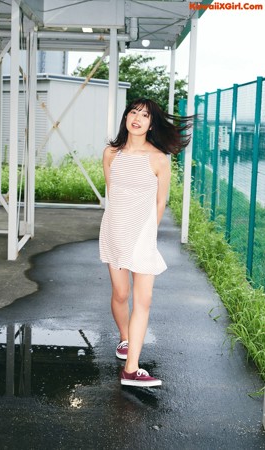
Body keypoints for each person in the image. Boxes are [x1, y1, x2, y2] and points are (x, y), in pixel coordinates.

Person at [99, 98, 192, 387]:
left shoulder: (158, 159)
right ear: (126, 117)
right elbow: (112, 194)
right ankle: (125, 339)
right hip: (115, 230)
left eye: (145, 115)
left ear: (152, 124)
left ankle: (131, 368)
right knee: (120, 295)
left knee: (144, 300)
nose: (137, 117)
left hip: (142, 235)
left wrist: (148, 231)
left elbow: (161, 201)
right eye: (133, 112)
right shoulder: (111, 154)